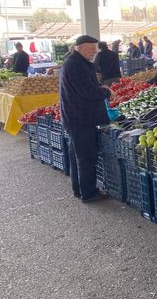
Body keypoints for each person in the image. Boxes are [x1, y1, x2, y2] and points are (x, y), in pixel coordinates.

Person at [59, 35, 114, 203]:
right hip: (81, 118)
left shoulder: (74, 62)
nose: (94, 52)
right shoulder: (76, 65)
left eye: (95, 49)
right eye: (91, 49)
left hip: (75, 116)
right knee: (86, 157)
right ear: (80, 47)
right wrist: (107, 92)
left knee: (77, 155)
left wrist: (99, 87)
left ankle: (79, 189)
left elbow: (85, 88)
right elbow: (88, 93)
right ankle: (89, 193)